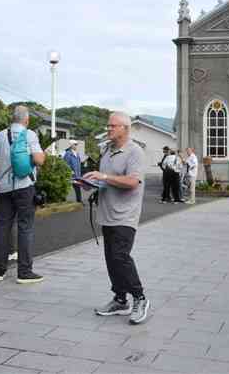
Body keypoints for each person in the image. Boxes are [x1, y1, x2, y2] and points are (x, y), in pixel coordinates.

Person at [82, 111, 150, 325]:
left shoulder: (135, 152)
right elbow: (107, 182)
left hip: (125, 215)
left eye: (113, 126)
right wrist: (90, 183)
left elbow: (132, 182)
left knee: (121, 257)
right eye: (108, 125)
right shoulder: (107, 151)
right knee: (111, 259)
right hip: (107, 213)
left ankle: (140, 298)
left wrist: (104, 177)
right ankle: (121, 299)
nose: (109, 129)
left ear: (125, 128)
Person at [0, 105, 45, 283]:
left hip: (4, 189)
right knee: (25, 227)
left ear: (12, 118)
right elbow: (39, 159)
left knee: (2, 226)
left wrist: (3, 178)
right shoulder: (29, 134)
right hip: (24, 186)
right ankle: (24, 272)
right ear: (26, 120)